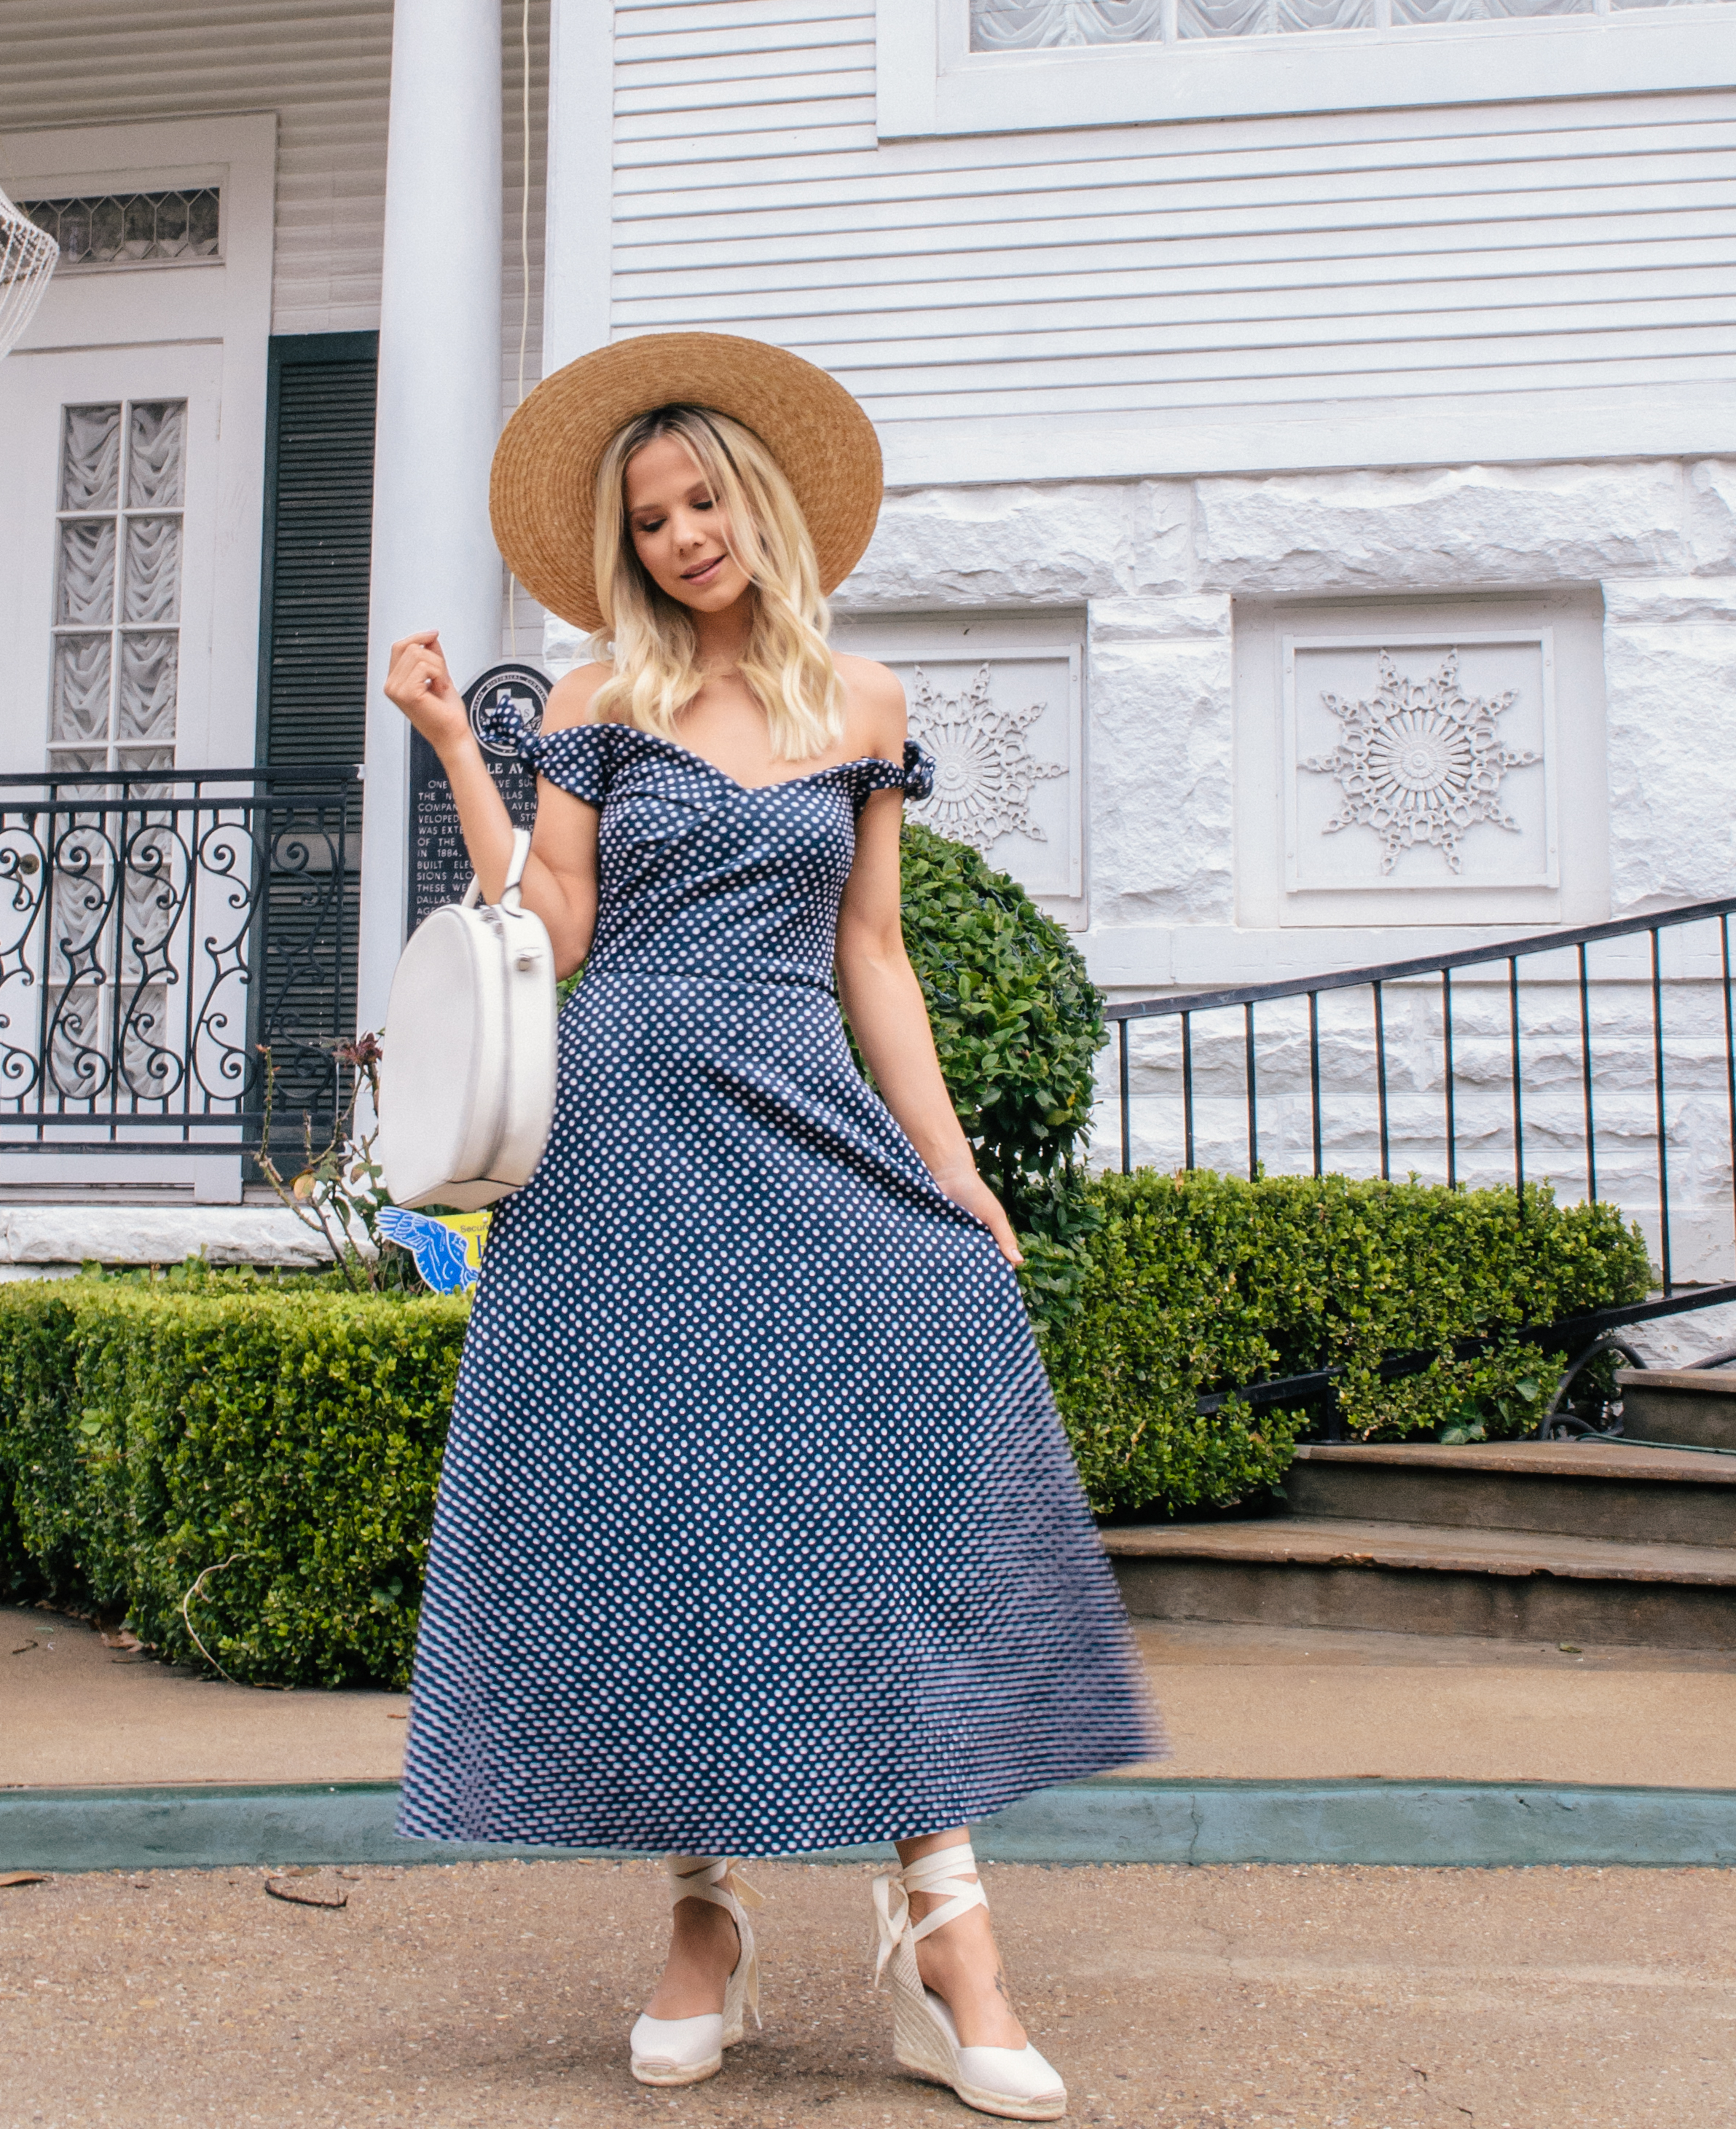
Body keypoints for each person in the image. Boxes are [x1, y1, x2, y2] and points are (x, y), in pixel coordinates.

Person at [382, 332, 1160, 2122]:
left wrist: (952, 1169)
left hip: (803, 1113)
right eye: (647, 516)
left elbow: (871, 954)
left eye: (702, 499)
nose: (679, 535)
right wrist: (451, 745)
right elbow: (549, 924)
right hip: (627, 1130)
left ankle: (941, 1930)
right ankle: (705, 1918)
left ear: (757, 505)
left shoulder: (863, 705)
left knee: (894, 1444)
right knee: (668, 1510)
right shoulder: (590, 699)